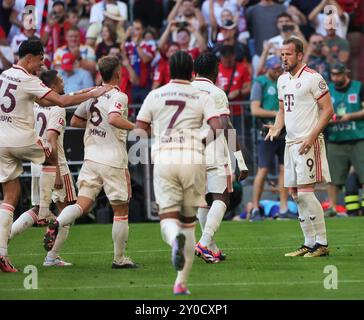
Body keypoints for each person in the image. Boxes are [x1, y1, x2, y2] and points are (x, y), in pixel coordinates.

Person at [0, 39, 109, 272]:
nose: (40, 67)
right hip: (25, 141)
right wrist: (94, 92)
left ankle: (2, 249)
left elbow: (42, 99)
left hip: (2, 141)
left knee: (10, 197)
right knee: (66, 199)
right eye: (39, 61)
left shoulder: (4, 75)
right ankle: (48, 238)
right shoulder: (30, 82)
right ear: (29, 57)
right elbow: (60, 101)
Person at [135, 51, 223, 295]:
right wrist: (201, 143)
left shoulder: (155, 95)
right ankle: (181, 283)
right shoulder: (201, 94)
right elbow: (218, 128)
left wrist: (158, 137)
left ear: (169, 71)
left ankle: (174, 241)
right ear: (192, 72)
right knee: (188, 223)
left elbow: (139, 130)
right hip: (193, 158)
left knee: (168, 218)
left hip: (165, 158)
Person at [43, 56, 138, 270]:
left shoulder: (92, 95)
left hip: (91, 158)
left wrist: (98, 126)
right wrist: (134, 126)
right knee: (121, 211)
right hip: (113, 159)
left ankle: (57, 222)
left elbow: (75, 120)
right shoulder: (119, 95)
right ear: (117, 73)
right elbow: (114, 118)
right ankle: (120, 258)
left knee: (81, 205)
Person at [265, 37, 334, 258]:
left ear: (300, 55)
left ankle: (321, 243)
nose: (283, 58)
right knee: (295, 194)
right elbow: (282, 110)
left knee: (305, 192)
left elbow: (328, 110)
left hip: (308, 142)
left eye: (288, 54)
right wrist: (276, 127)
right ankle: (308, 242)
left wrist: (312, 137)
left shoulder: (313, 78)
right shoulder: (282, 80)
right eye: (282, 54)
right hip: (291, 143)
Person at [9, 70, 77, 267]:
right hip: (55, 166)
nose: (63, 81)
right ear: (52, 86)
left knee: (38, 209)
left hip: (36, 165)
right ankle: (52, 257)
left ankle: (4, 239)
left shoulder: (34, 106)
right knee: (68, 210)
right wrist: (55, 170)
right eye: (60, 79)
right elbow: (52, 139)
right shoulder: (57, 108)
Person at [192, 53, 248, 263]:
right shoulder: (216, 92)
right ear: (215, 70)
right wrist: (240, 161)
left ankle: (212, 249)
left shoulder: (184, 91)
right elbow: (225, 127)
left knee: (203, 202)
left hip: (189, 154)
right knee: (221, 198)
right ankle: (204, 243)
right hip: (214, 152)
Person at [250, 55, 295, 221]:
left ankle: (283, 208)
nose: (277, 72)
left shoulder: (285, 80)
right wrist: (279, 115)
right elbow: (255, 109)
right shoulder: (260, 82)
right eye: (274, 69)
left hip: (284, 131)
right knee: (263, 169)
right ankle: (255, 208)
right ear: (267, 68)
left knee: (285, 169)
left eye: (279, 69)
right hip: (267, 131)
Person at [325, 62, 364, 217]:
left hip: (358, 137)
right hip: (336, 138)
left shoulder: (359, 87)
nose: (335, 78)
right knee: (333, 178)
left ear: (345, 73)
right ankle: (333, 207)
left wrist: (350, 116)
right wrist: (330, 120)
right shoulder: (327, 90)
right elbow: (321, 113)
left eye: (338, 74)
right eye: (333, 75)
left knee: (363, 175)